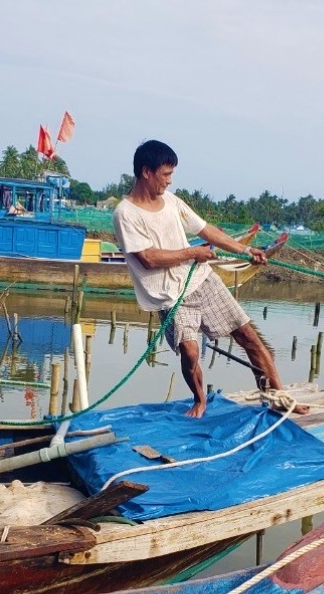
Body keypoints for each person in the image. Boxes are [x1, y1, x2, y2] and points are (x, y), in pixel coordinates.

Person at [113, 140, 307, 418]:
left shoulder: (172, 202)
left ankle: (279, 397)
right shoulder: (125, 213)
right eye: (166, 174)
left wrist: (245, 250)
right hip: (171, 296)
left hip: (201, 280)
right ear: (146, 172)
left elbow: (205, 230)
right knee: (190, 352)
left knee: (248, 336)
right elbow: (148, 258)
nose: (169, 180)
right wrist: (192, 252)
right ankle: (200, 401)